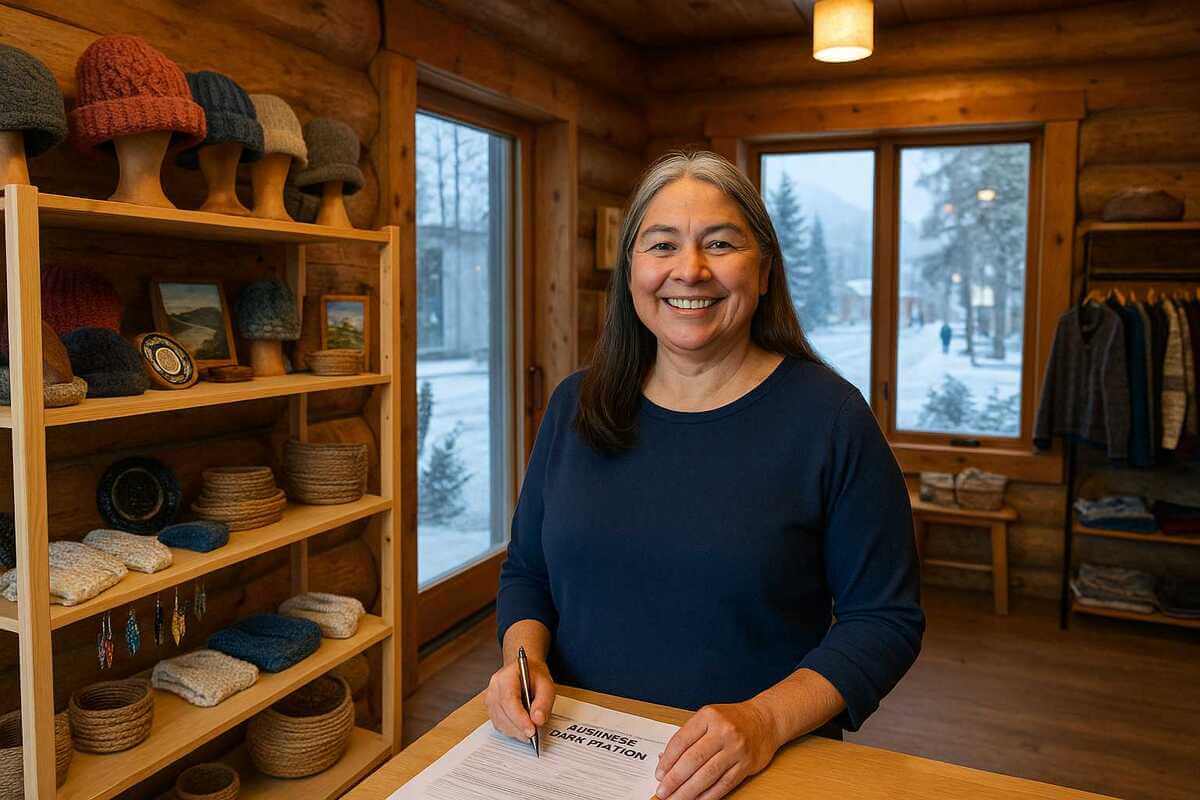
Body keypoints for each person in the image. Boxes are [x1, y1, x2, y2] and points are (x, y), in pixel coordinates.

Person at [487, 151, 923, 800]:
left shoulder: (830, 419)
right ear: (631, 269)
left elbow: (883, 620)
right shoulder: (574, 406)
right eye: (662, 245)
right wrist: (520, 667)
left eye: (720, 244)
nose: (689, 270)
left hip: (753, 770)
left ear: (765, 268)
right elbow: (528, 572)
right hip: (571, 757)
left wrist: (764, 721)